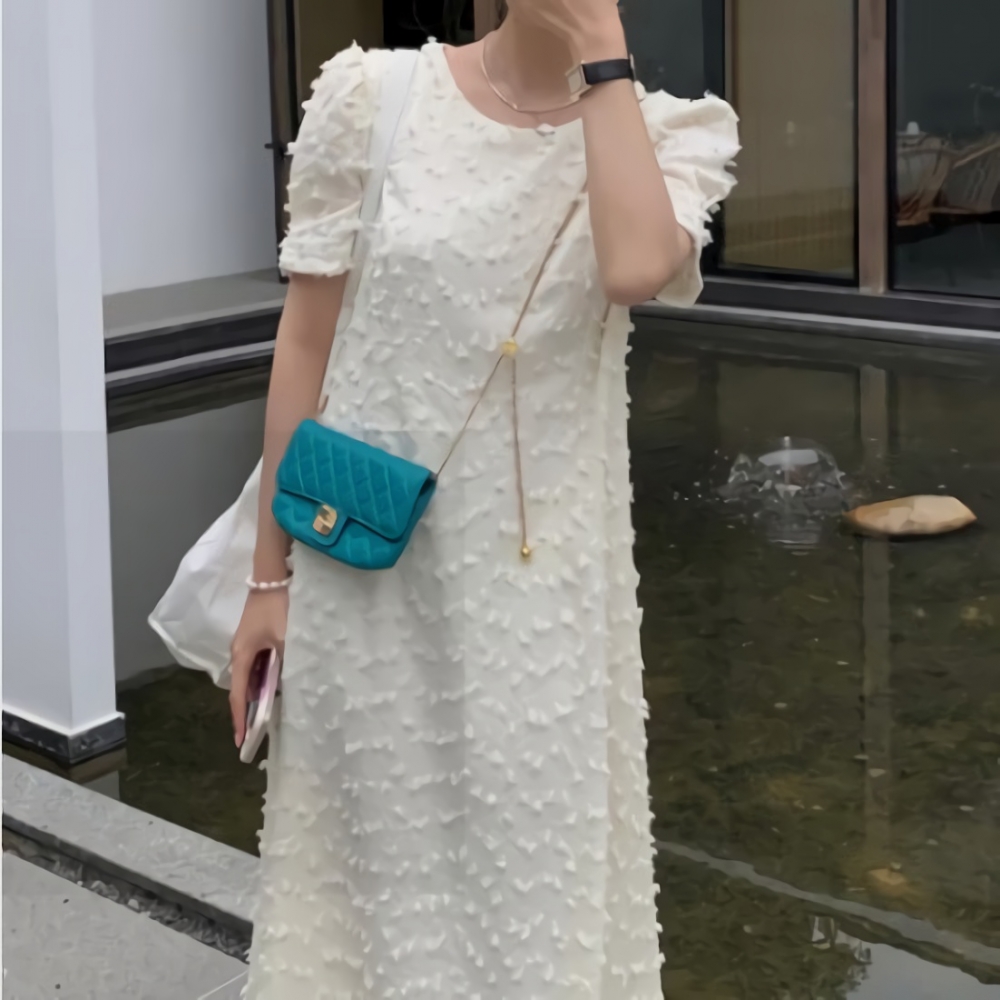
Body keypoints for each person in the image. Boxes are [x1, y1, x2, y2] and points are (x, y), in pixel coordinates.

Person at [232, 1, 738, 996]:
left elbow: (635, 267)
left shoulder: (666, 134)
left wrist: (601, 52)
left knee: (529, 905)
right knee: (367, 898)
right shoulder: (372, 96)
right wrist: (266, 579)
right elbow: (306, 341)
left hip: (540, 604)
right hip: (363, 583)